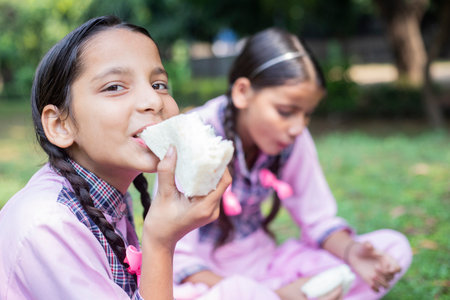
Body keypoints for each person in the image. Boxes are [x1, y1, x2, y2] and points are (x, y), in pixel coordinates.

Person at [171, 28, 412, 300]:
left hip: (269, 266)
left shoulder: (293, 139)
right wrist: (260, 294)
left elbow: (318, 219)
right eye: (286, 112)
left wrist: (352, 252)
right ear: (242, 92)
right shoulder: (193, 136)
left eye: (307, 114)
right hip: (208, 280)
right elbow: (177, 257)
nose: (298, 127)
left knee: (394, 247)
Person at [0, 15, 231, 300]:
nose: (153, 101)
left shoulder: (109, 197)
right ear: (61, 125)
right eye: (114, 87)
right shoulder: (48, 225)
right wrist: (159, 243)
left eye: (158, 84)